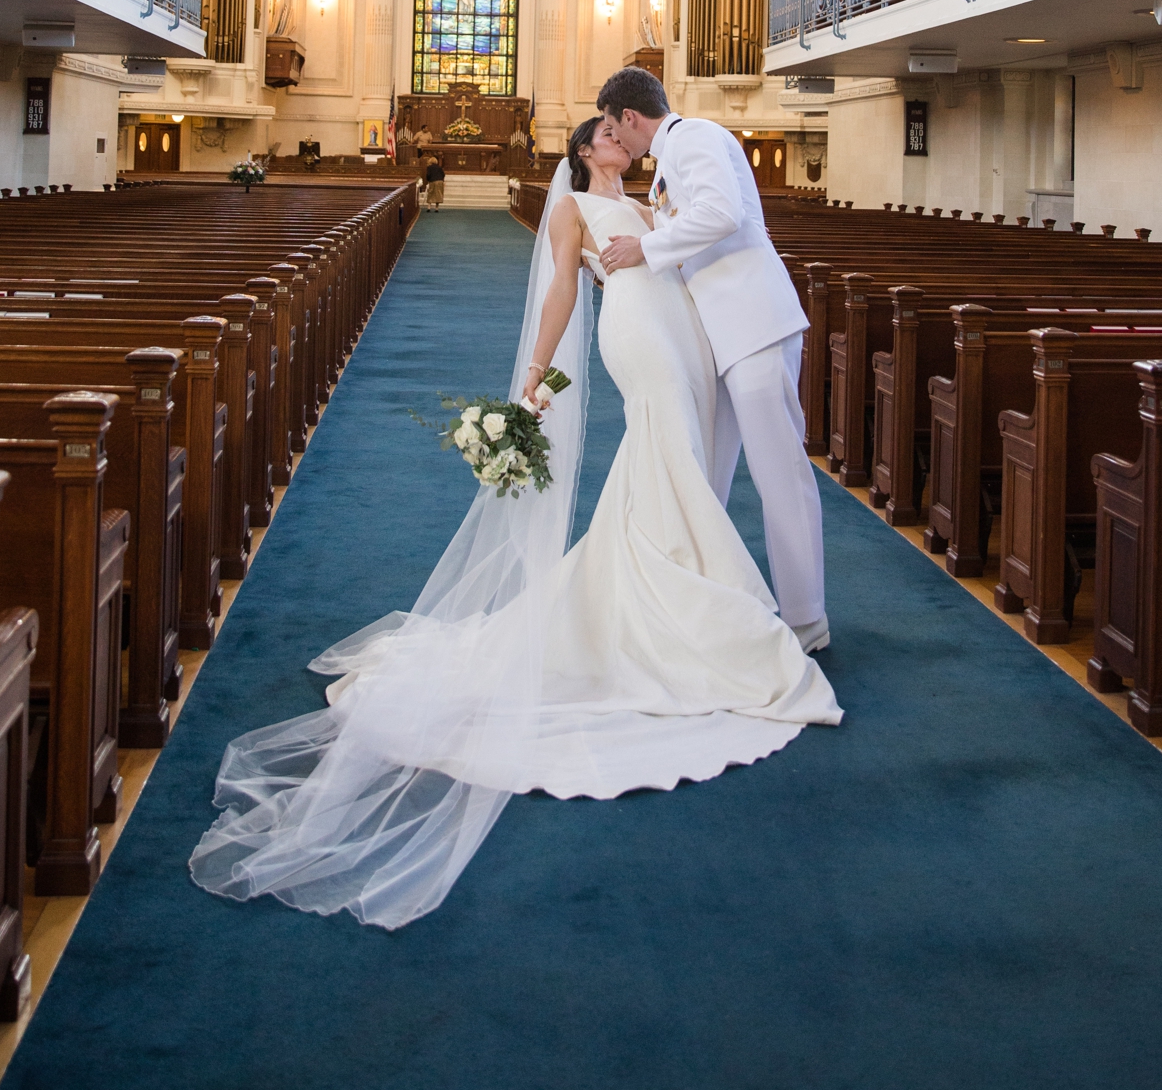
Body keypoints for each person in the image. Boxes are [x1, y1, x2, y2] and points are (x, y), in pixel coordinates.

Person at [189, 117, 838, 930]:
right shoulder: (569, 207)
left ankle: (669, 582)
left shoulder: (643, 195)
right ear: (583, 152)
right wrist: (535, 376)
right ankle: (680, 594)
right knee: (664, 446)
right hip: (638, 339)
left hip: (683, 336)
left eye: (617, 130)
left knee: (672, 464)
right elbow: (566, 287)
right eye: (606, 134)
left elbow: (691, 251)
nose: (619, 139)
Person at [594, 66, 830, 654]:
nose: (615, 141)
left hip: (754, 326)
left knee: (780, 474)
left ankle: (806, 618)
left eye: (611, 127)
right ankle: (708, 598)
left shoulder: (695, 137)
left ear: (630, 117)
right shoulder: (672, 159)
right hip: (721, 337)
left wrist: (645, 248)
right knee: (705, 474)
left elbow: (721, 215)